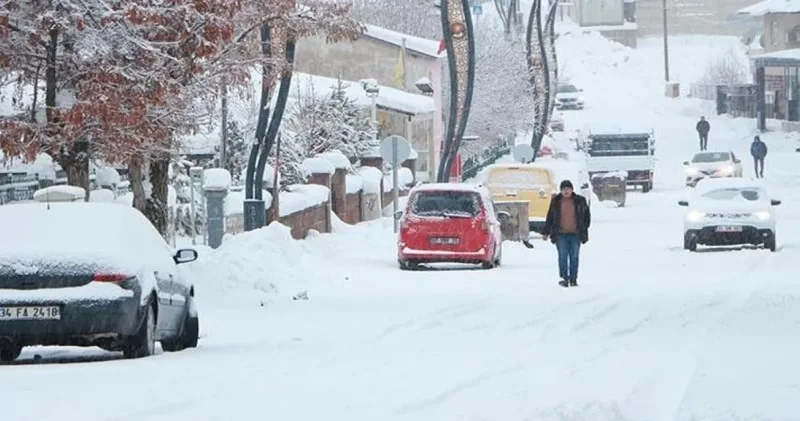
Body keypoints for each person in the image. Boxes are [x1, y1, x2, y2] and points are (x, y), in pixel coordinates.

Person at [542, 180, 591, 288]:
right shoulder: (556, 201)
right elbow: (550, 217)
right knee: (562, 257)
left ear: (572, 190)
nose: (566, 191)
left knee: (574, 257)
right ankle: (564, 278)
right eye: (564, 189)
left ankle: (573, 279)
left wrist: (584, 228)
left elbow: (587, 216)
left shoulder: (580, 201)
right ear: (561, 190)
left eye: (568, 189)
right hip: (561, 234)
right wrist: (546, 232)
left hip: (576, 234)